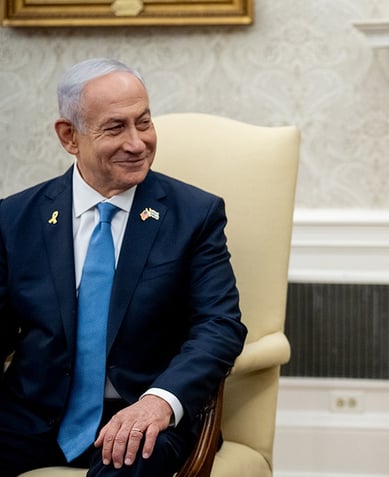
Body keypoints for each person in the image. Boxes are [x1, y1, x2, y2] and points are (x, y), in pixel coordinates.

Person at [0, 58, 247, 476]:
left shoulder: (194, 215)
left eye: (144, 123)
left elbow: (220, 325)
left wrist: (159, 401)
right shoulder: (15, 218)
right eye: (115, 128)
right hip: (33, 414)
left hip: (142, 412)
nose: (137, 143)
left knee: (127, 462)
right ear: (69, 136)